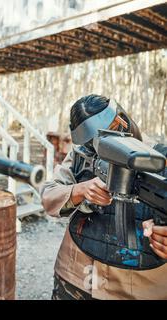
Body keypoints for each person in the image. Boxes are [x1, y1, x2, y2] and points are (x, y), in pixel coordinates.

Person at [41, 94, 167, 300]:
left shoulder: (161, 158)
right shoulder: (82, 154)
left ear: (122, 119)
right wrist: (80, 190)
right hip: (76, 276)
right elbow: (49, 195)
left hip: (140, 288)